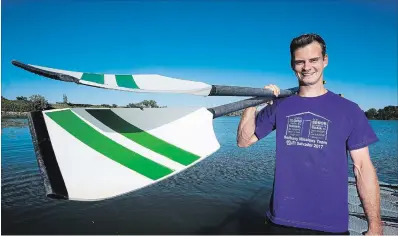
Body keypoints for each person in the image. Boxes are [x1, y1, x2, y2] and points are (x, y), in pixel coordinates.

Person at [237, 33, 382, 235]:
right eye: (300, 62)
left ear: (325, 60)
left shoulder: (349, 110)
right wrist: (253, 102)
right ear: (292, 65)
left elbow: (363, 168)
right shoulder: (281, 105)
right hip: (281, 221)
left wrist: (375, 226)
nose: (306, 67)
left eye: (313, 60)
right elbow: (244, 141)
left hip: (330, 225)